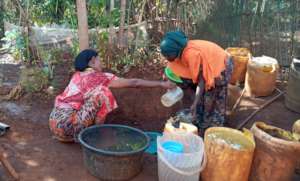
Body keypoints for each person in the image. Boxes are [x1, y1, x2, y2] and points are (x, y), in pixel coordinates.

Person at [49, 49, 175, 142]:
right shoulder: (99, 77)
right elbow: (134, 82)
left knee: (96, 95)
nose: (101, 62)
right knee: (103, 93)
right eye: (99, 59)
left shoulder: (76, 76)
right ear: (92, 62)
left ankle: (73, 135)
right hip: (68, 126)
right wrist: (162, 84)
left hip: (54, 123)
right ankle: (95, 135)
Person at [160, 30, 233, 134]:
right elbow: (171, 69)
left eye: (168, 56)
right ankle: (199, 118)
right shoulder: (179, 52)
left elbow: (202, 81)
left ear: (176, 51)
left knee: (212, 96)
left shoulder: (191, 55)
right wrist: (167, 81)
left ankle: (213, 127)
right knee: (202, 97)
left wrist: (194, 103)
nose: (167, 58)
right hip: (206, 66)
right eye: (165, 56)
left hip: (221, 66)